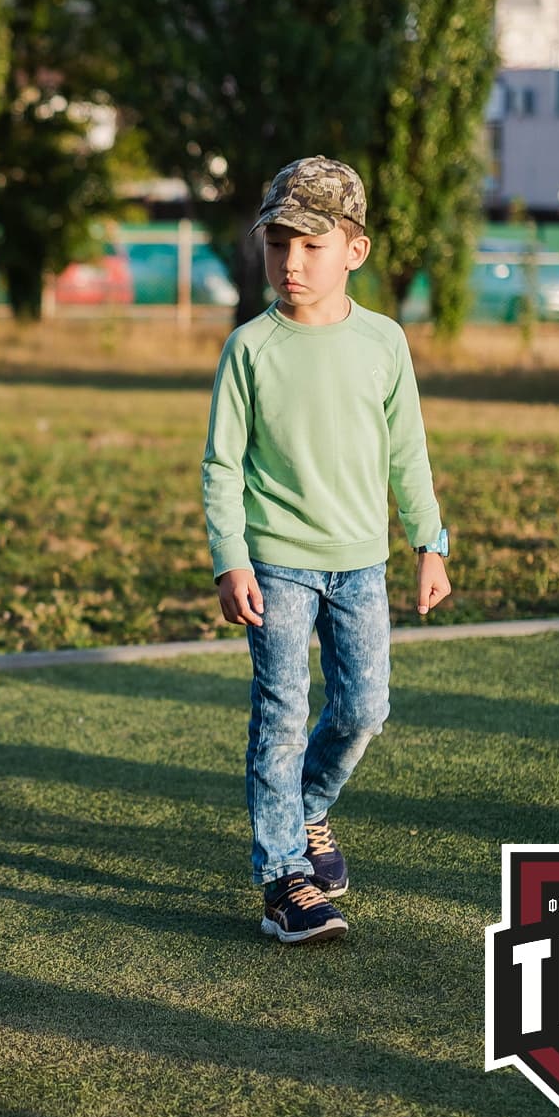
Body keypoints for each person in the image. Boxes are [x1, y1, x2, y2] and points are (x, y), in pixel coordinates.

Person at [201, 157, 453, 946]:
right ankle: (284, 880)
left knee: (365, 709)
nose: (291, 262)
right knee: (280, 715)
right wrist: (229, 557)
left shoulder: (384, 342)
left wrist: (430, 542)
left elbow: (407, 451)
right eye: (278, 244)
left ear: (355, 250)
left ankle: (309, 810)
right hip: (274, 564)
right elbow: (221, 465)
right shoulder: (249, 348)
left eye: (311, 245)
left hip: (360, 565)